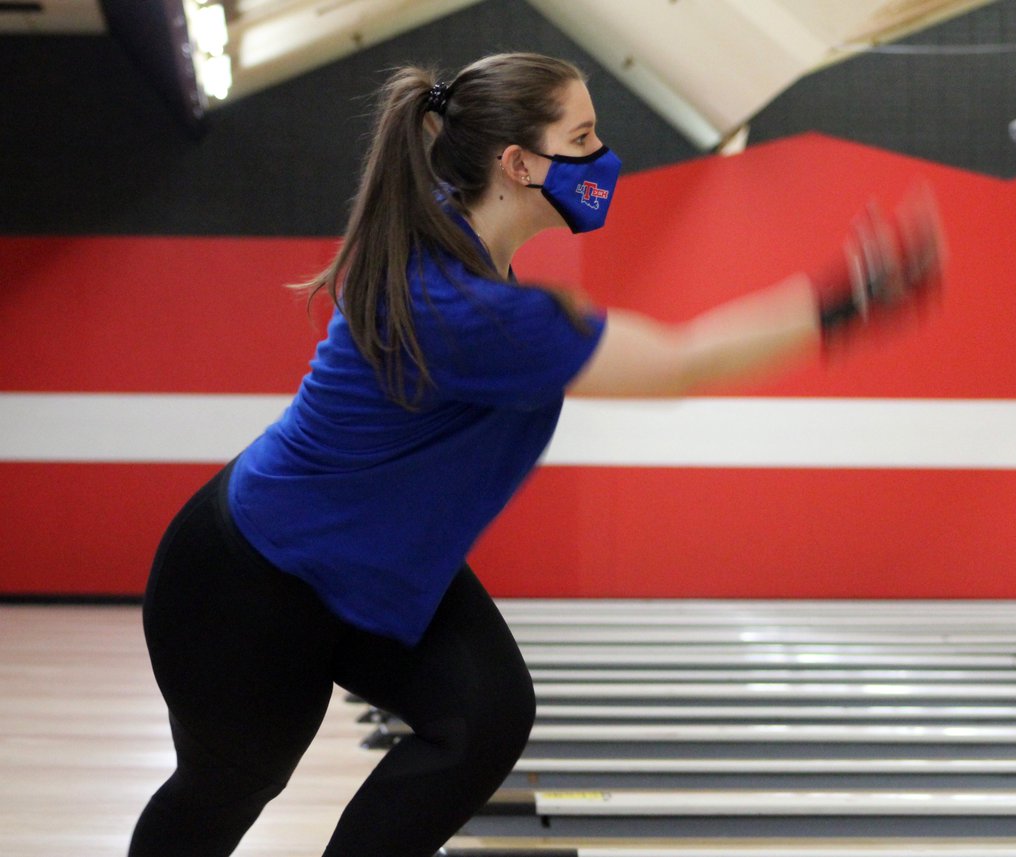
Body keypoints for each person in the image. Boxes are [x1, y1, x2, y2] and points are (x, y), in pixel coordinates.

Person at [129, 52, 943, 857]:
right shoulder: (471, 309)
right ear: (518, 164)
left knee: (484, 709)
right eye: (582, 137)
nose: (601, 157)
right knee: (234, 784)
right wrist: (848, 302)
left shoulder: (454, 238)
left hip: (353, 565)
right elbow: (681, 361)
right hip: (247, 586)